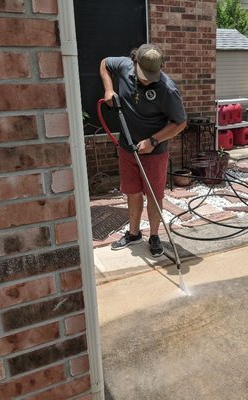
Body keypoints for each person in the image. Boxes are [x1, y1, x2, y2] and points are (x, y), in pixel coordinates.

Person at [100, 43, 187, 257]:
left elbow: (180, 123)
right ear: (135, 62)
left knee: (154, 195)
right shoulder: (123, 66)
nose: (147, 79)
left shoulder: (167, 89)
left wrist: (154, 141)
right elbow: (104, 64)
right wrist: (109, 89)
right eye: (144, 74)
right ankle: (134, 233)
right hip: (127, 146)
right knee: (132, 191)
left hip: (154, 153)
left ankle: (155, 235)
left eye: (152, 75)